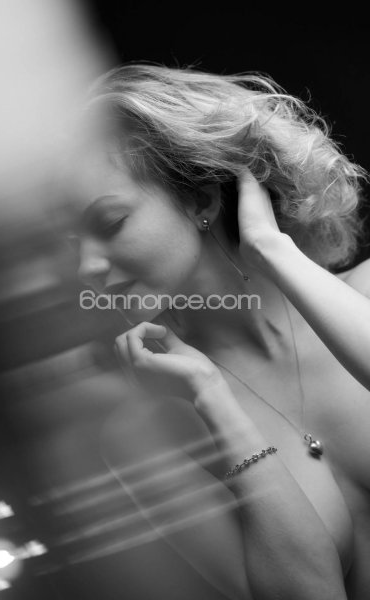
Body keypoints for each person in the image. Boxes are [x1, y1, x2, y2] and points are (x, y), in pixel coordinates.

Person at [70, 64, 370, 599]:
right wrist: (215, 403)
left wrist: (273, 250)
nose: (85, 267)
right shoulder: (150, 434)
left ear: (202, 200)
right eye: (71, 244)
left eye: (110, 223)